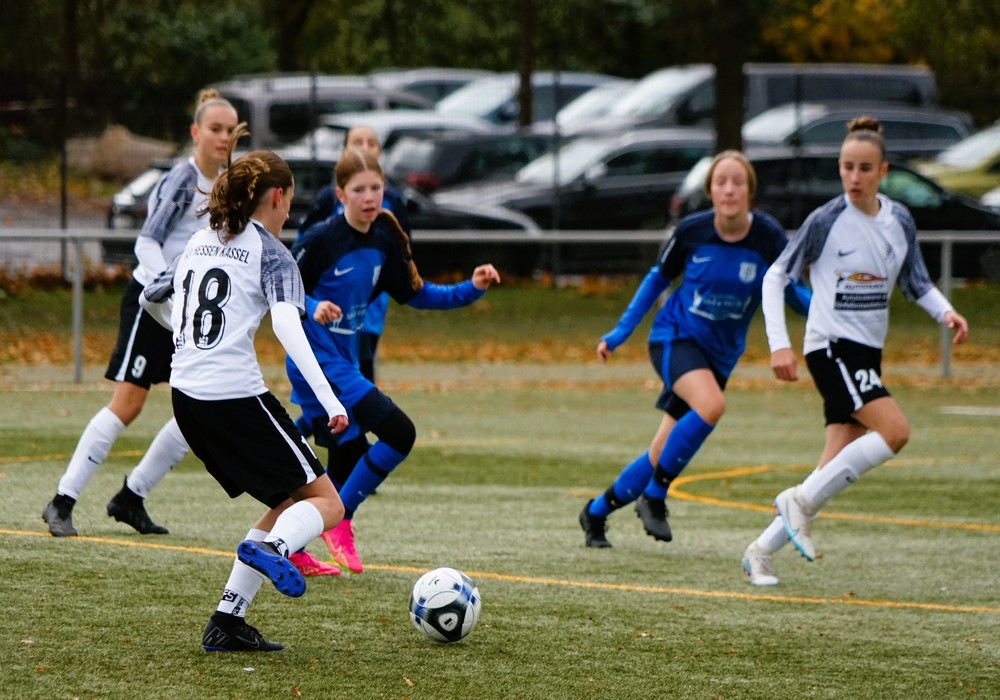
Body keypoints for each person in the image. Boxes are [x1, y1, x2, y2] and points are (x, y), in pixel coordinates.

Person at [140, 123, 350, 652]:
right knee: (328, 504)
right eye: (289, 203)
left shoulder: (197, 241)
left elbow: (150, 296)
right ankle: (276, 549)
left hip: (186, 399)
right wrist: (330, 400)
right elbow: (287, 327)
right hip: (234, 397)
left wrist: (185, 337)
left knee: (287, 499)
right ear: (276, 197)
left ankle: (226, 622)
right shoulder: (272, 252)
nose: (288, 214)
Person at [741, 117, 969, 586]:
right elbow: (775, 276)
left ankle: (760, 551)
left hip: (867, 352)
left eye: (865, 168)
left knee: (832, 464)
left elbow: (916, 282)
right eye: (847, 167)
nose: (854, 177)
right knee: (895, 432)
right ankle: (799, 503)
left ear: (882, 171)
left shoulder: (898, 220)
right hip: (831, 346)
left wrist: (946, 312)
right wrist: (780, 345)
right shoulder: (826, 220)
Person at [579, 150, 811, 548]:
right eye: (721, 182)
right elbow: (656, 280)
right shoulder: (692, 231)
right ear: (710, 191)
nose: (729, 189)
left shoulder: (768, 237)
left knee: (660, 451)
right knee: (711, 405)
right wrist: (618, 333)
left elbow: (790, 291)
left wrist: (827, 316)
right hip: (674, 339)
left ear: (750, 191)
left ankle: (595, 512)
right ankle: (655, 496)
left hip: (720, 356)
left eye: (738, 182)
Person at [288, 146, 500, 574]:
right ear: (340, 194)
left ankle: (292, 545)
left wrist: (472, 287)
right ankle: (340, 520)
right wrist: (312, 305)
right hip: (316, 364)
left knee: (343, 460)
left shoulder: (384, 238)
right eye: (359, 190)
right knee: (399, 433)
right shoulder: (321, 240)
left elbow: (419, 294)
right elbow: (280, 292)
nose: (369, 197)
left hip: (345, 364)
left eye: (376, 188)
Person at [42, 90, 239, 537]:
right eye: (215, 128)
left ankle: (131, 497)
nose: (224, 137)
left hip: (190, 315)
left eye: (230, 130)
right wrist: (167, 290)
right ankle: (62, 501)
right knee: (128, 404)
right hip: (153, 307)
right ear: (195, 133)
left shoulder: (227, 185)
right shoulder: (182, 180)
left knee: (200, 409)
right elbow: (147, 242)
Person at [297, 125, 411, 384]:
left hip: (369, 306)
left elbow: (402, 250)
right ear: (344, 151)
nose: (365, 147)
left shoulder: (392, 199)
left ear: (379, 152)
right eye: (357, 141)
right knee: (336, 378)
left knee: (363, 367)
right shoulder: (329, 198)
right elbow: (306, 243)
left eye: (371, 142)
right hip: (331, 305)